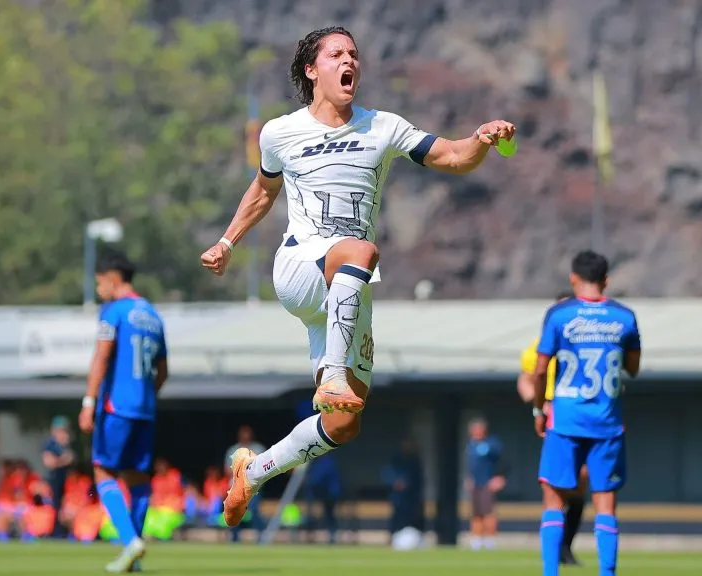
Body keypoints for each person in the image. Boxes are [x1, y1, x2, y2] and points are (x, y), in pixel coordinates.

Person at [200, 25, 516, 528]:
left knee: (344, 424)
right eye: (337, 54)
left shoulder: (383, 126)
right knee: (361, 249)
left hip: (349, 287)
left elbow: (453, 156)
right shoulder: (280, 132)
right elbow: (262, 191)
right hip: (303, 269)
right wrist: (227, 242)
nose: (350, 61)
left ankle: (253, 471)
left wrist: (480, 138)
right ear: (312, 70)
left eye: (354, 54)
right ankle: (332, 373)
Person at [532, 251, 642, 576]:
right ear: (606, 280)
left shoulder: (559, 315)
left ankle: (551, 573)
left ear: (573, 278)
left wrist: (540, 407)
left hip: (564, 419)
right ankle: (607, 573)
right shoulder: (625, 316)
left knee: (554, 500)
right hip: (607, 422)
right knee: (605, 504)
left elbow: (540, 370)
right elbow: (633, 369)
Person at [78, 250, 168, 573]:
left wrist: (89, 402)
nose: (99, 288)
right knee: (137, 477)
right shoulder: (153, 315)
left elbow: (102, 357)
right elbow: (163, 370)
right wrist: (145, 396)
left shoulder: (113, 311)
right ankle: (133, 552)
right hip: (145, 410)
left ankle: (131, 540)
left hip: (116, 407)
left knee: (103, 471)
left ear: (112, 279)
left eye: (99, 282)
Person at [519, 291, 589, 565]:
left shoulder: (586, 343)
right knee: (557, 484)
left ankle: (565, 546)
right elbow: (525, 379)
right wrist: (537, 403)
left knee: (580, 482)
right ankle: (555, 549)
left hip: (582, 415)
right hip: (554, 417)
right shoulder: (538, 347)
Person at [464, 417, 506, 551]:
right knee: (476, 512)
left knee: (488, 512)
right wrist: (469, 478)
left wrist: (499, 477)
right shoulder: (471, 445)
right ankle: (477, 539)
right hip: (475, 483)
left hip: (488, 483)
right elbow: (471, 465)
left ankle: (489, 539)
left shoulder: (492, 444)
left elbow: (503, 462)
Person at [42, 415, 75, 538]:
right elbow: (49, 462)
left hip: (68, 484)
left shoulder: (66, 445)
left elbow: (72, 459)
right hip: (55, 482)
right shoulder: (51, 445)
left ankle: (65, 533)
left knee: (67, 508)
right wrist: (63, 460)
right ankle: (55, 533)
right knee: (55, 508)